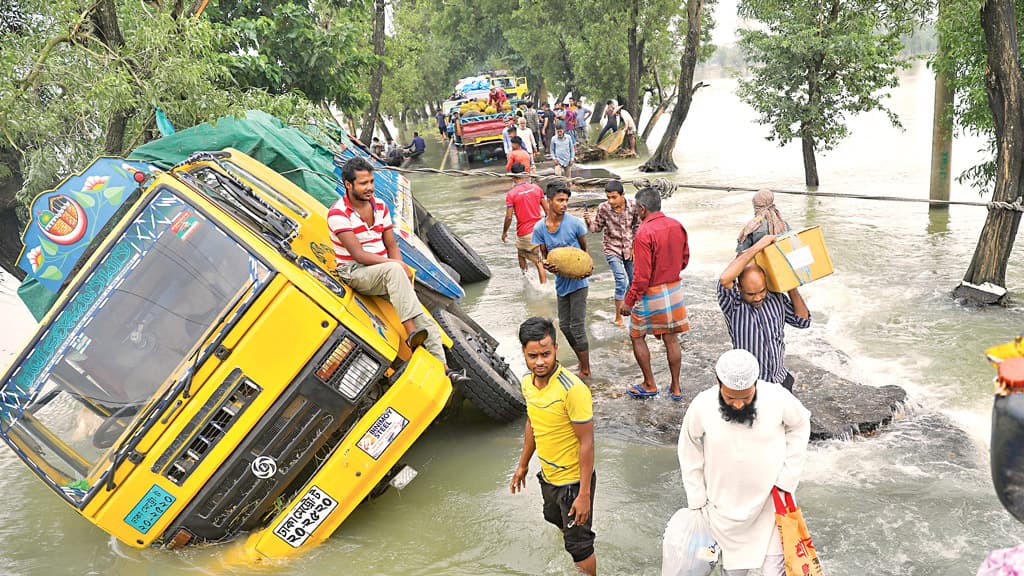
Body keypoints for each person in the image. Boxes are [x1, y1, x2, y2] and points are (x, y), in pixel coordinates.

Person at [678, 348, 811, 576]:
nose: (738, 405)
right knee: (733, 572)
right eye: (730, 398)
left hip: (772, 504)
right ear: (718, 383)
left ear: (756, 385)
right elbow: (688, 446)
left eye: (746, 398)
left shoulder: (776, 397)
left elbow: (800, 424)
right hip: (723, 510)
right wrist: (697, 499)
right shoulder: (702, 404)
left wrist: (787, 478)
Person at [328, 157, 462, 381]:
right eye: (363, 183)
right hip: (355, 271)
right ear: (348, 185)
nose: (369, 187)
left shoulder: (379, 206)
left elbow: (391, 245)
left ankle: (444, 370)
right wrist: (397, 266)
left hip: (384, 271)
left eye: (371, 181)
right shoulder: (338, 214)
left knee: (427, 321)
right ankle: (411, 332)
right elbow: (359, 255)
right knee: (395, 272)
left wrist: (398, 266)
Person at [510, 316, 596, 576]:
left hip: (572, 482)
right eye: (533, 355)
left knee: (580, 546)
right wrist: (523, 464)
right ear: (524, 353)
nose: (539, 362)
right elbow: (533, 423)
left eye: (546, 354)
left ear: (556, 349)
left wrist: (584, 494)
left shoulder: (573, 390)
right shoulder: (527, 383)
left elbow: (587, 442)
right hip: (549, 476)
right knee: (553, 518)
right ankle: (571, 538)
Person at [620, 188, 689, 399]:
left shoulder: (643, 233)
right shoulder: (677, 225)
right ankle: (676, 387)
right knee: (671, 338)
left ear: (642, 209)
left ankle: (650, 384)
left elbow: (641, 277)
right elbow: (685, 259)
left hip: (651, 292)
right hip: (674, 288)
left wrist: (628, 302)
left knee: (637, 335)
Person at [718, 234, 811, 391]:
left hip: (780, 379)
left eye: (761, 291)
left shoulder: (776, 298)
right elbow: (725, 279)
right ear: (739, 288)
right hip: (752, 384)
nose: (758, 297)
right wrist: (758, 246)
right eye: (750, 294)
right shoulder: (733, 304)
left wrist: (791, 286)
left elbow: (803, 321)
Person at [532, 181, 591, 377]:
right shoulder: (540, 228)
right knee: (564, 326)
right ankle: (581, 360)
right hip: (561, 283)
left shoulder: (575, 223)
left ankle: (586, 368)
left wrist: (585, 270)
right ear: (549, 202)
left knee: (577, 326)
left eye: (566, 200)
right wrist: (546, 265)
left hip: (579, 283)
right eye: (560, 200)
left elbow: (584, 253)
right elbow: (544, 255)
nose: (564, 204)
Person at [584, 180, 639, 327]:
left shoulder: (634, 205)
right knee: (621, 281)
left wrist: (635, 246)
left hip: (630, 248)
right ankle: (618, 317)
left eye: (614, 197)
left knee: (634, 281)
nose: (610, 201)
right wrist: (588, 222)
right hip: (612, 248)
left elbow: (637, 227)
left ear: (622, 195)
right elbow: (596, 229)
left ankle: (627, 306)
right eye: (608, 197)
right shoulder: (604, 208)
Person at [502, 162, 547, 284]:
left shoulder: (511, 194)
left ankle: (538, 285)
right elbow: (547, 210)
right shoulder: (537, 188)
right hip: (540, 229)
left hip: (525, 232)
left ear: (513, 177)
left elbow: (509, 217)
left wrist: (504, 232)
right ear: (525, 174)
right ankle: (530, 280)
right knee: (524, 254)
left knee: (536, 261)